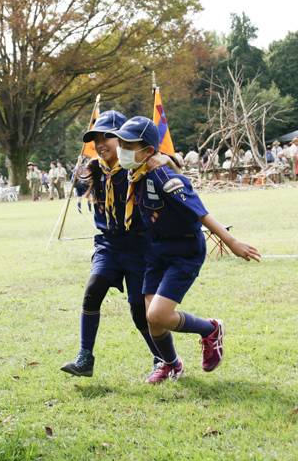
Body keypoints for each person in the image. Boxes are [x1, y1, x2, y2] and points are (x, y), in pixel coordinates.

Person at [111, 117, 261, 384]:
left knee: (158, 314)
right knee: (152, 320)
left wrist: (233, 243)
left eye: (127, 144)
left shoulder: (162, 175)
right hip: (156, 250)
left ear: (148, 151)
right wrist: (169, 159)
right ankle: (172, 365)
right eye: (119, 143)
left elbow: (200, 212)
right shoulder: (136, 171)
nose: (120, 149)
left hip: (183, 249)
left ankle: (210, 329)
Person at [60, 111, 182, 380]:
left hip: (140, 248)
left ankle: (165, 360)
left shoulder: (142, 166)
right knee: (93, 290)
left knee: (141, 313)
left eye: (107, 137)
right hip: (109, 245)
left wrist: (167, 159)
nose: (100, 143)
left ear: (124, 139)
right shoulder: (95, 168)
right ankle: (85, 357)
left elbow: (175, 168)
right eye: (96, 139)